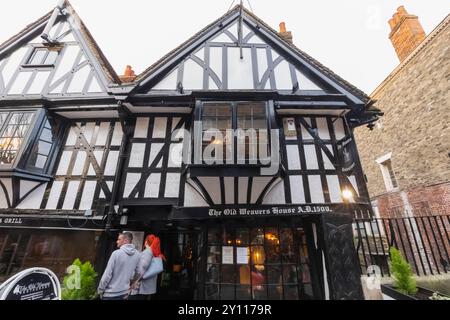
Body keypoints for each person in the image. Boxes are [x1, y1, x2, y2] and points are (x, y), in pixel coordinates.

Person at [97, 232, 140, 300]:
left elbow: (107, 274)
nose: (117, 241)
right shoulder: (137, 254)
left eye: (119, 239)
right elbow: (139, 272)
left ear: (125, 241)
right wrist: (131, 283)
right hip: (124, 294)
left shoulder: (116, 254)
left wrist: (100, 289)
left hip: (110, 294)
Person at [129, 234, 165, 300]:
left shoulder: (147, 252)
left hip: (140, 288)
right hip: (148, 288)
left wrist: (132, 282)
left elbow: (141, 269)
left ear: (146, 242)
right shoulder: (155, 253)